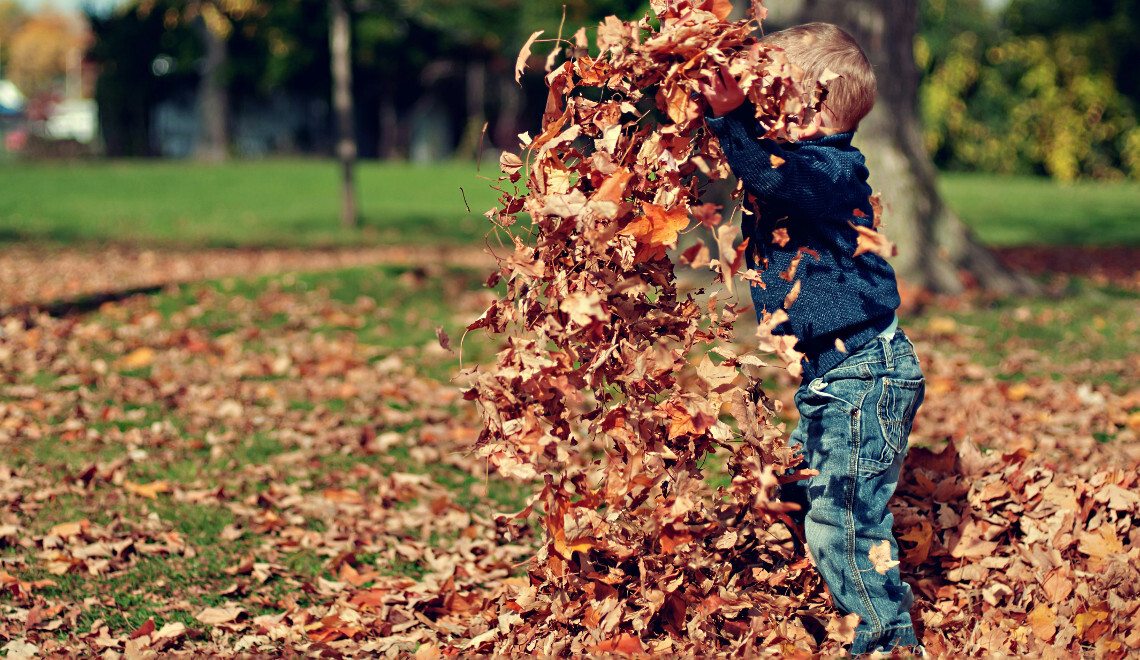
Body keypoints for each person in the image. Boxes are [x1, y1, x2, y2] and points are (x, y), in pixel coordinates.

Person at [699, 23, 926, 655]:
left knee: (845, 523)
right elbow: (757, 166)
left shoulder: (830, 170)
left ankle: (886, 641)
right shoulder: (800, 162)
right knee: (798, 487)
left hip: (865, 377)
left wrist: (732, 121)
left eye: (772, 98)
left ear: (811, 106)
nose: (760, 109)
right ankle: (823, 593)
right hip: (836, 377)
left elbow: (772, 178)